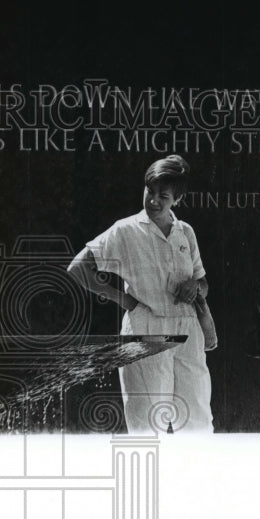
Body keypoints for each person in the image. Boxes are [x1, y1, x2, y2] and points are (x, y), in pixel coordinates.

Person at [67, 155, 214, 433]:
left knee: (197, 420)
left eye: (164, 196)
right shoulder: (125, 230)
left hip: (187, 329)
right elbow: (78, 268)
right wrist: (124, 299)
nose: (154, 200)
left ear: (177, 199)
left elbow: (202, 283)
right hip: (146, 329)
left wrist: (196, 287)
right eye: (150, 191)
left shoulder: (186, 232)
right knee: (147, 423)